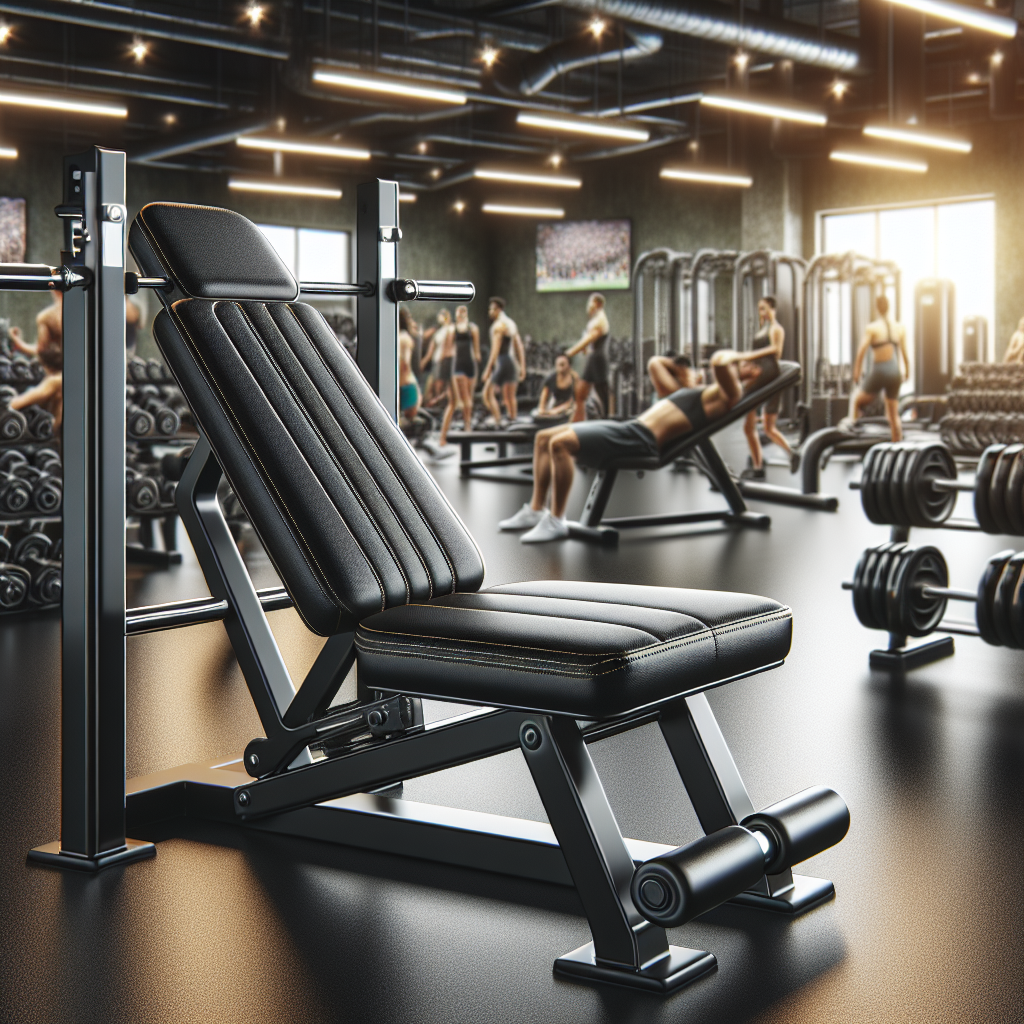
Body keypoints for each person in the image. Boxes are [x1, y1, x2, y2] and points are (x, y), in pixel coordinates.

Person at [499, 349, 766, 543]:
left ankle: (556, 520)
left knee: (560, 445)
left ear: (754, 372)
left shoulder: (729, 395)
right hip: (631, 427)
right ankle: (536, 510)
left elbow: (720, 360)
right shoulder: (689, 390)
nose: (743, 363)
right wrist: (684, 372)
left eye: (750, 364)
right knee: (543, 437)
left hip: (642, 440)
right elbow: (655, 363)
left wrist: (746, 354)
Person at [740, 296, 799, 479]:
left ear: (773, 309)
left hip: (769, 373)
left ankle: (758, 467)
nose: (762, 312)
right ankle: (791, 455)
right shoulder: (762, 329)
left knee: (752, 426)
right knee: (766, 428)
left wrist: (751, 355)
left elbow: (776, 351)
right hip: (761, 371)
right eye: (760, 309)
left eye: (764, 308)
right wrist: (747, 360)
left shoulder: (776, 329)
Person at [848, 294, 910, 442]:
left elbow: (861, 350)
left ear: (876, 308)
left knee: (856, 400)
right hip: (895, 371)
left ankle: (853, 436)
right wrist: (907, 371)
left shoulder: (872, 328)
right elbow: (905, 353)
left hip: (880, 370)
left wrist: (857, 372)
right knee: (893, 415)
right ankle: (898, 444)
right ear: (889, 307)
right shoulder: (899, 328)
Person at [435, 305, 480, 452]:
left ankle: (467, 430)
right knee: (458, 401)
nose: (460, 315)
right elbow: (446, 351)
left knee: (467, 402)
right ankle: (444, 436)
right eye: (458, 313)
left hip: (469, 365)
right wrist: (442, 373)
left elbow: (477, 353)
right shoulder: (451, 330)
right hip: (457, 366)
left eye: (462, 313)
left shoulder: (472, 329)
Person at [566, 292, 610, 420]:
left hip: (596, 359)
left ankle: (583, 423)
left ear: (598, 303)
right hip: (595, 357)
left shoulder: (599, 319)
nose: (589, 305)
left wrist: (571, 351)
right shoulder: (596, 319)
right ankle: (580, 422)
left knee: (584, 393)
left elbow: (590, 338)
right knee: (584, 393)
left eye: (592, 302)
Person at [481, 297, 525, 426]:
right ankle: (512, 420)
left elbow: (495, 349)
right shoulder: (510, 323)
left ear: (498, 310)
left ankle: (498, 420)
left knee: (487, 394)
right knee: (509, 397)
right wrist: (522, 366)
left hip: (502, 361)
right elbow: (519, 346)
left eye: (491, 309)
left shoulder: (499, 326)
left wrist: (488, 368)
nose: (489, 312)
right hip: (509, 362)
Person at [533, 352, 578, 425]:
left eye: (563, 364)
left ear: (569, 366)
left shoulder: (574, 379)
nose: (560, 367)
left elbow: (574, 400)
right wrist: (542, 410)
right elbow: (544, 398)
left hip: (570, 408)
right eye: (558, 365)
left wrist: (558, 410)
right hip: (555, 405)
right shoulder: (551, 378)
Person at [398, 307, 422, 425]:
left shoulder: (395, 337)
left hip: (398, 384)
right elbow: (406, 362)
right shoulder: (406, 338)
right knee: (410, 418)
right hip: (408, 382)